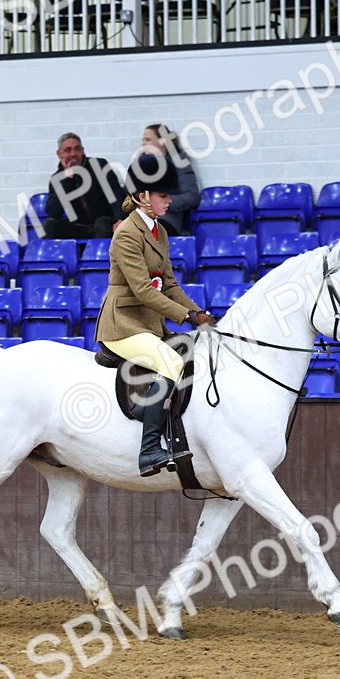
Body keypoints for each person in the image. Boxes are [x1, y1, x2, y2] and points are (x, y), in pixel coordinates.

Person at [95, 152, 216, 477]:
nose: (169, 201)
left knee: (193, 351)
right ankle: (149, 449)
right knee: (170, 362)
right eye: (163, 195)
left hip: (149, 324)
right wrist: (186, 317)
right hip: (122, 325)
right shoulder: (125, 235)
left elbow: (170, 284)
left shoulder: (159, 232)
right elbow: (144, 292)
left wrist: (198, 313)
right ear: (142, 196)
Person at [44, 132, 125, 239]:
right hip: (78, 226)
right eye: (68, 150)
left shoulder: (98, 166)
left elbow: (116, 194)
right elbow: (53, 213)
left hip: (103, 222)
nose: (73, 154)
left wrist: (120, 218)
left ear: (82, 151)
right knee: (50, 226)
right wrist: (67, 180)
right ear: (59, 154)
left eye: (77, 149)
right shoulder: (57, 178)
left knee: (102, 224)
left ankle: (97, 255)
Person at [140, 123, 200, 235]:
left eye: (148, 140)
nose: (144, 144)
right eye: (143, 140)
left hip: (165, 220)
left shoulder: (179, 163)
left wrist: (162, 202)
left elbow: (192, 196)